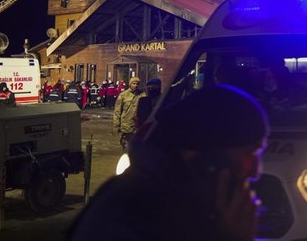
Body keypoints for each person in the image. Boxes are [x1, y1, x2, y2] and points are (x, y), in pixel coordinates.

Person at [68, 84, 270, 240]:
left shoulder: (182, 199)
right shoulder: (134, 214)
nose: (255, 171)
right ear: (210, 158)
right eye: (249, 153)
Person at [113, 77, 144, 150]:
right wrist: (116, 125)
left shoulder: (142, 95)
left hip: (139, 126)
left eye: (137, 84)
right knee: (128, 148)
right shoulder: (123, 95)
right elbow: (117, 111)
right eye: (134, 83)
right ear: (130, 84)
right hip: (127, 126)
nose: (135, 85)